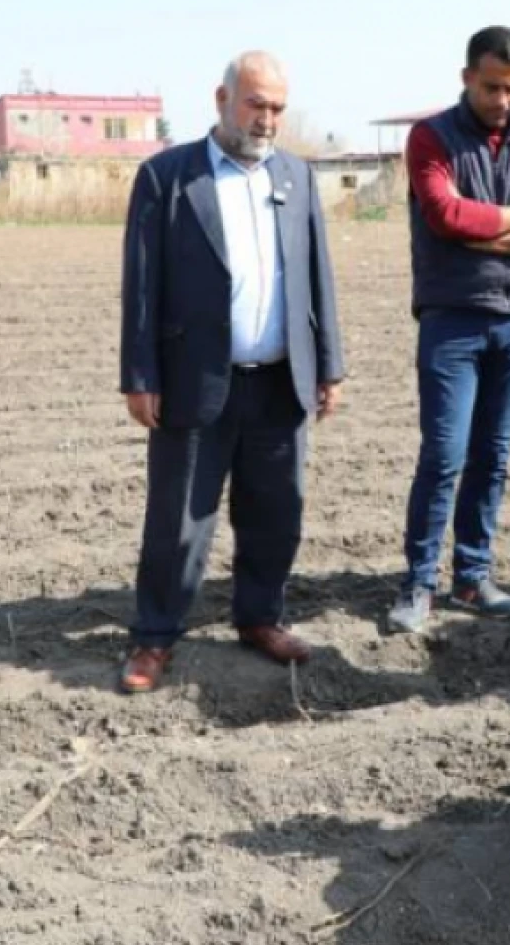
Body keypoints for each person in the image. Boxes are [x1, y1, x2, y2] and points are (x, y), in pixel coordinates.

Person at [117, 52, 345, 694]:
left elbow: (316, 277)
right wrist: (141, 373)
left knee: (276, 511)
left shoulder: (297, 177)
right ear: (222, 98)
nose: (268, 119)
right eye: (256, 104)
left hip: (280, 380)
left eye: (276, 107)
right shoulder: (168, 177)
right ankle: (155, 635)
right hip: (195, 379)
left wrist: (330, 362)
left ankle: (260, 618)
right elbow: (141, 284)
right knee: (179, 519)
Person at [387, 25, 510, 633]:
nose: (504, 100)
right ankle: (418, 583)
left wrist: (490, 230)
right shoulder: (431, 138)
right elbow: (445, 215)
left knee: (492, 456)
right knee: (444, 454)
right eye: (494, 87)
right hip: (454, 318)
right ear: (467, 77)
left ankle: (471, 577)